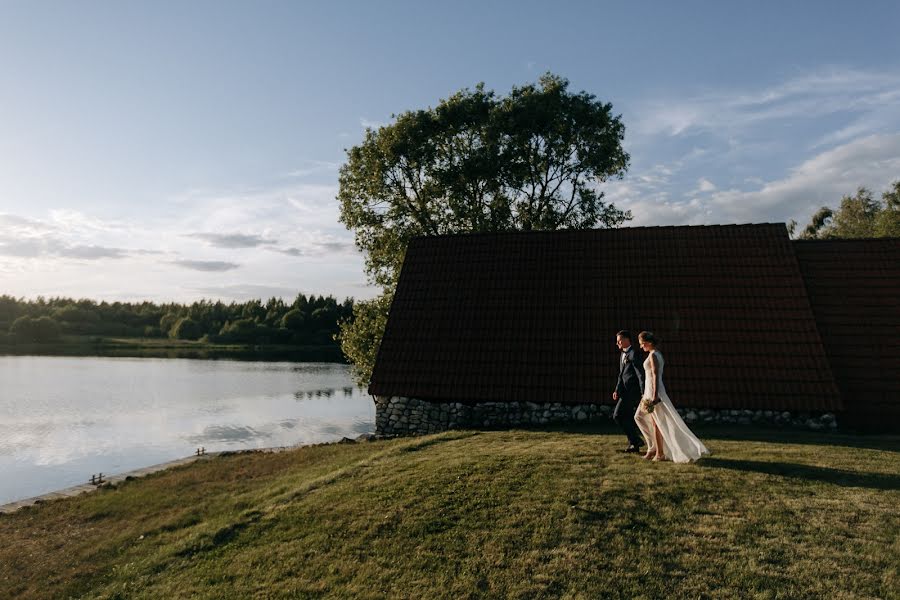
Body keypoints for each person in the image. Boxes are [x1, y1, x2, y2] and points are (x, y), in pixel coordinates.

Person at [633, 331, 709, 463]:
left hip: (654, 392)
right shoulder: (657, 354)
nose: (641, 347)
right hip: (649, 391)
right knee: (647, 420)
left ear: (649, 343)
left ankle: (660, 453)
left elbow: (656, 376)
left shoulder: (653, 356)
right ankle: (655, 449)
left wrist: (655, 396)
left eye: (642, 344)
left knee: (657, 423)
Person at [611, 330, 645, 453]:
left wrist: (643, 392)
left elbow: (640, 374)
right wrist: (616, 390)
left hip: (632, 392)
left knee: (618, 415)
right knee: (627, 417)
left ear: (626, 340)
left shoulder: (634, 354)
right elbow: (621, 375)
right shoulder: (623, 355)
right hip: (624, 392)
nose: (617, 343)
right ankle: (634, 445)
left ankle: (635, 440)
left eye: (619, 341)